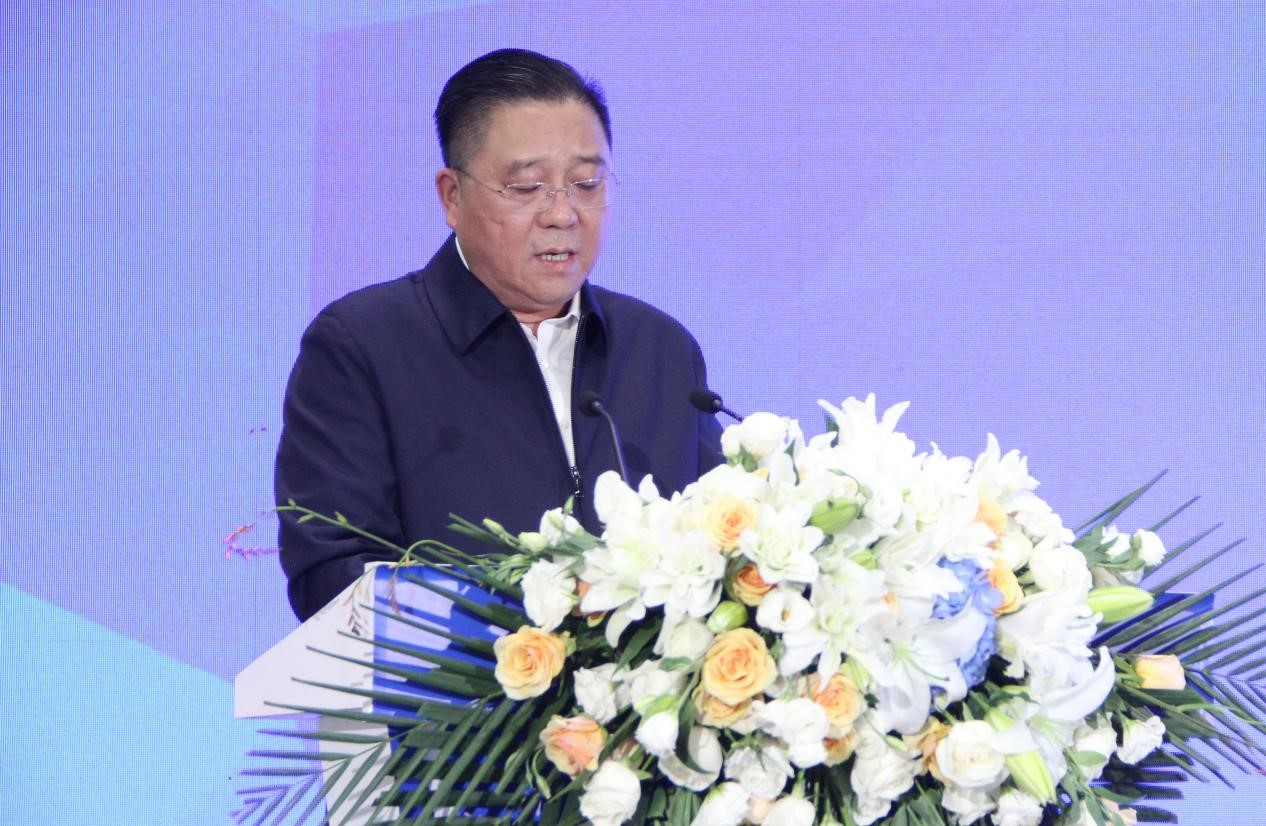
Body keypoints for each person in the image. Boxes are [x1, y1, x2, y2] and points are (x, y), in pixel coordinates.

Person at [276, 49, 724, 622]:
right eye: (527, 187)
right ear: (452, 196)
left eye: (587, 183)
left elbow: (720, 546)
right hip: (460, 681)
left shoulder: (659, 350)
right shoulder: (362, 347)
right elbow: (331, 578)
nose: (563, 214)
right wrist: (520, 630)